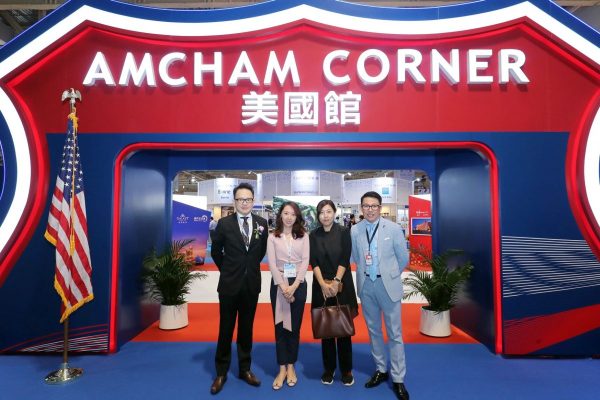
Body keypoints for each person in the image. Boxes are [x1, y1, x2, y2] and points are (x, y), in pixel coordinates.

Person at [209, 183, 268, 395]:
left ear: (253, 201)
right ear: (234, 201)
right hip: (229, 285)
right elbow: (216, 252)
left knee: (246, 329)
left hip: (251, 285)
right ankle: (221, 372)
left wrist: (247, 269)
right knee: (225, 329)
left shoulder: (262, 223)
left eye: (248, 199)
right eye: (240, 199)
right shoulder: (224, 224)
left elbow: (260, 252)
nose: (244, 203)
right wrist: (229, 270)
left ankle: (245, 369)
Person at [350, 191, 410, 400]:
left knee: (395, 333)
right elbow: (356, 257)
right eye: (366, 206)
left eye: (374, 205)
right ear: (361, 208)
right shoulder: (355, 230)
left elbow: (403, 258)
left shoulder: (393, 229)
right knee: (374, 330)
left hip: (388, 285)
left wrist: (390, 274)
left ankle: (398, 378)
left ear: (380, 207)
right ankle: (381, 369)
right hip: (366, 285)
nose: (370, 209)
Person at [310, 200, 358, 386]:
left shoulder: (344, 232)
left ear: (334, 212)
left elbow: (345, 258)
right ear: (318, 215)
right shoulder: (313, 235)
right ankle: (328, 369)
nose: (325, 215)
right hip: (321, 285)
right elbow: (313, 261)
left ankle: (346, 370)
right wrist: (323, 284)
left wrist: (336, 282)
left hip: (342, 284)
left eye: (329, 211)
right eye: (322, 212)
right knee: (326, 329)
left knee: (343, 329)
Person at [266, 201, 309, 390]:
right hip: (279, 284)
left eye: (292, 214)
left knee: (294, 328)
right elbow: (272, 264)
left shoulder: (304, 236)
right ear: (280, 215)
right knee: (280, 328)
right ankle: (282, 368)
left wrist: (294, 286)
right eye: (285, 213)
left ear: (297, 216)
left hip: (298, 285)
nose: (289, 217)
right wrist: (284, 287)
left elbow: (305, 262)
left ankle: (291, 366)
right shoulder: (272, 237)